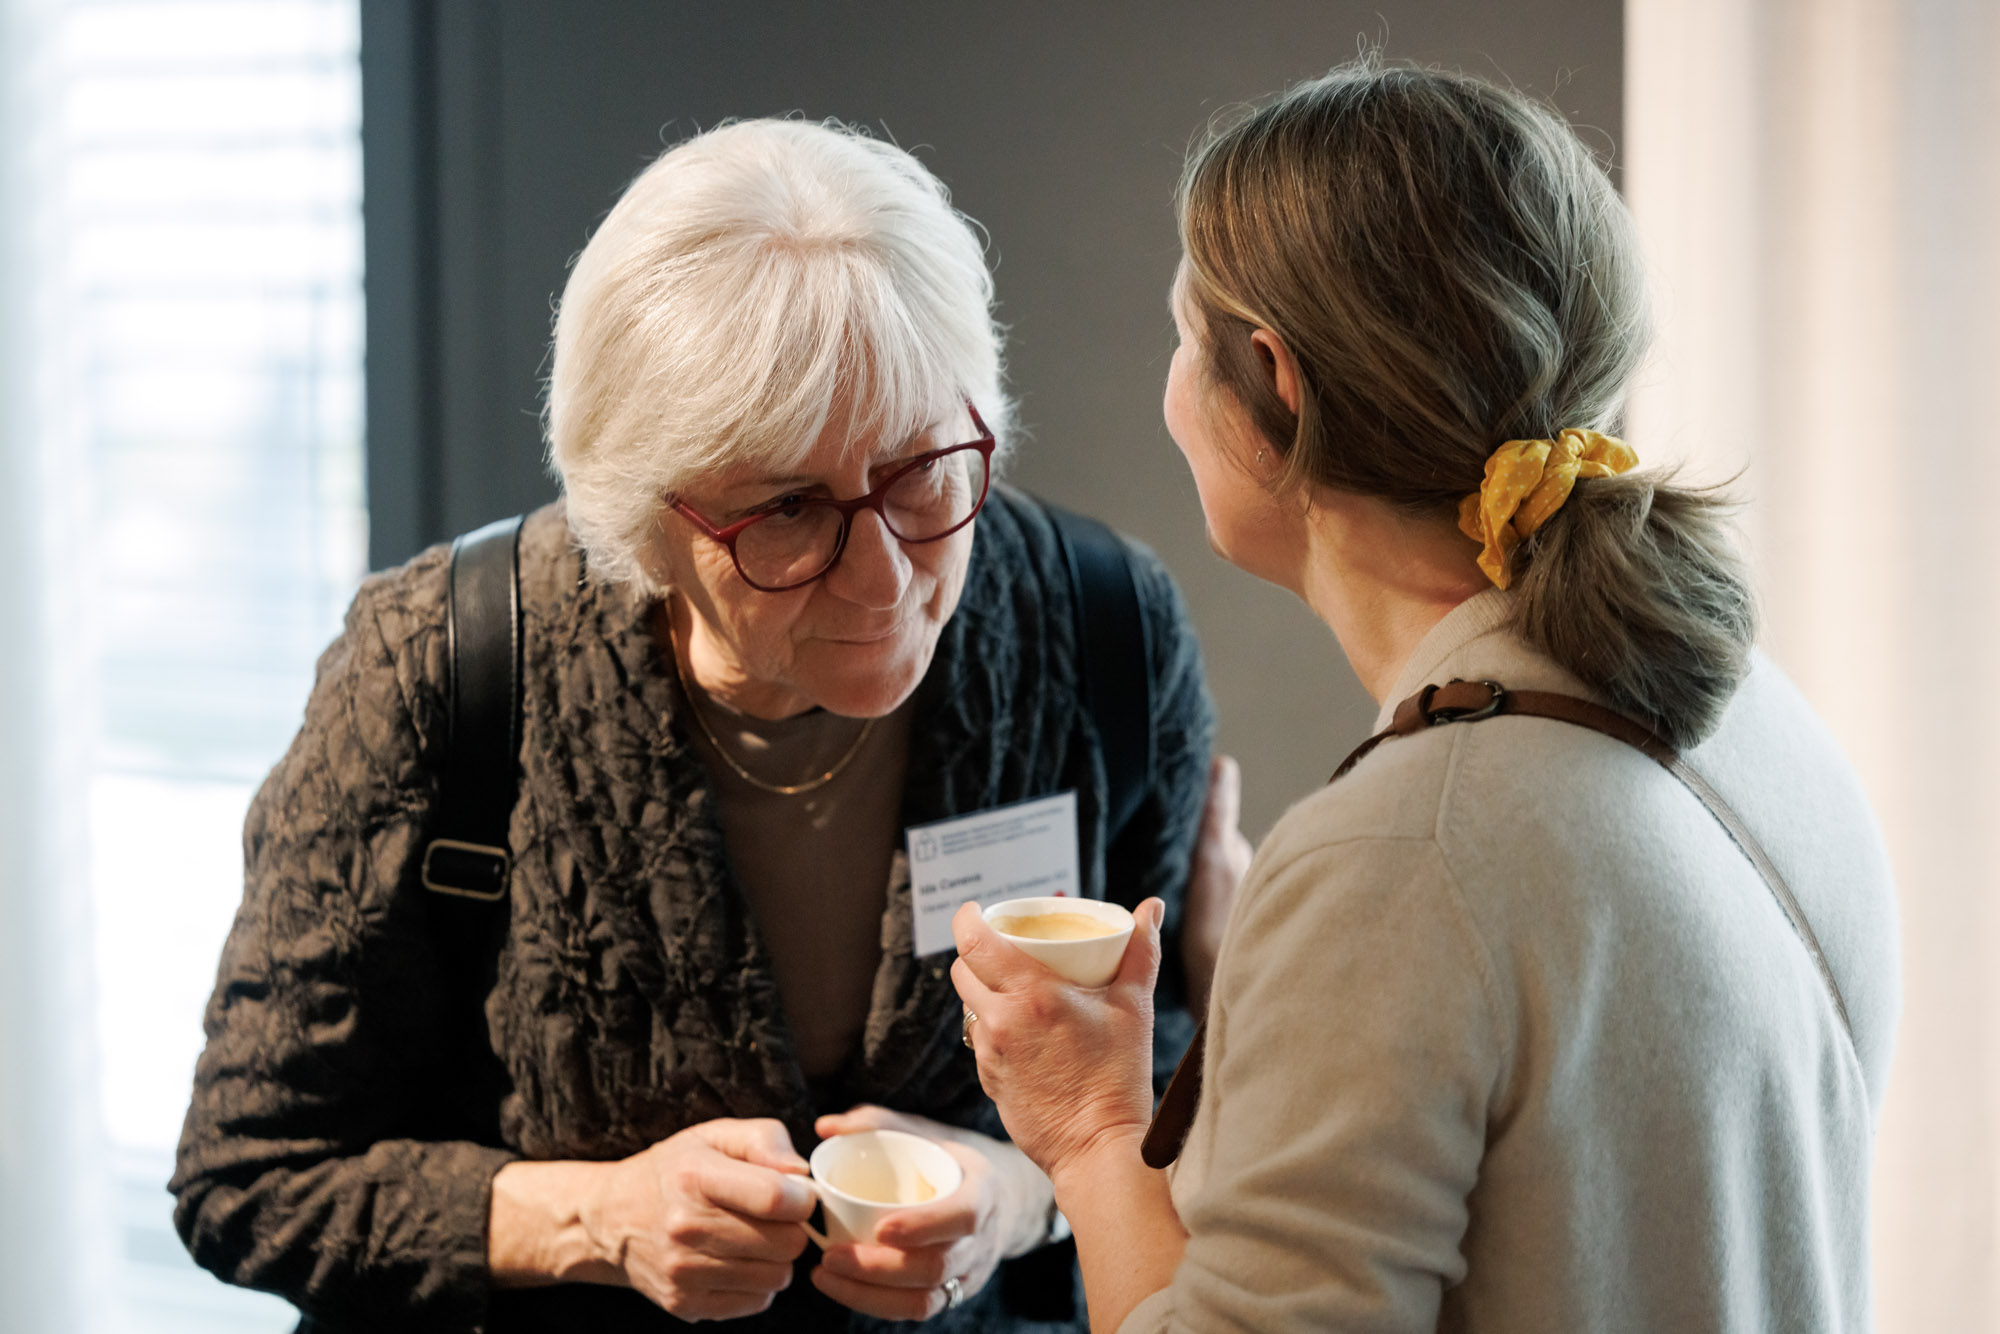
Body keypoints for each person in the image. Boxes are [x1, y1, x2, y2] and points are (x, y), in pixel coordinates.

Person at [171, 118, 1239, 1333]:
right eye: (788, 507)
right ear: (641, 515)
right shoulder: (439, 668)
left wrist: (1012, 1190)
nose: (886, 581)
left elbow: (1170, 1078)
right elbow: (245, 1175)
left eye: (921, 471)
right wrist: (589, 1218)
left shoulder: (1097, 629)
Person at [952, 60, 1901, 1333]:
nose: (1170, 379)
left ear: (1275, 389)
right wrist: (1285, 996)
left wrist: (1089, 1124)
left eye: (1183, 336)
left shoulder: (1400, 862)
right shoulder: (1748, 714)